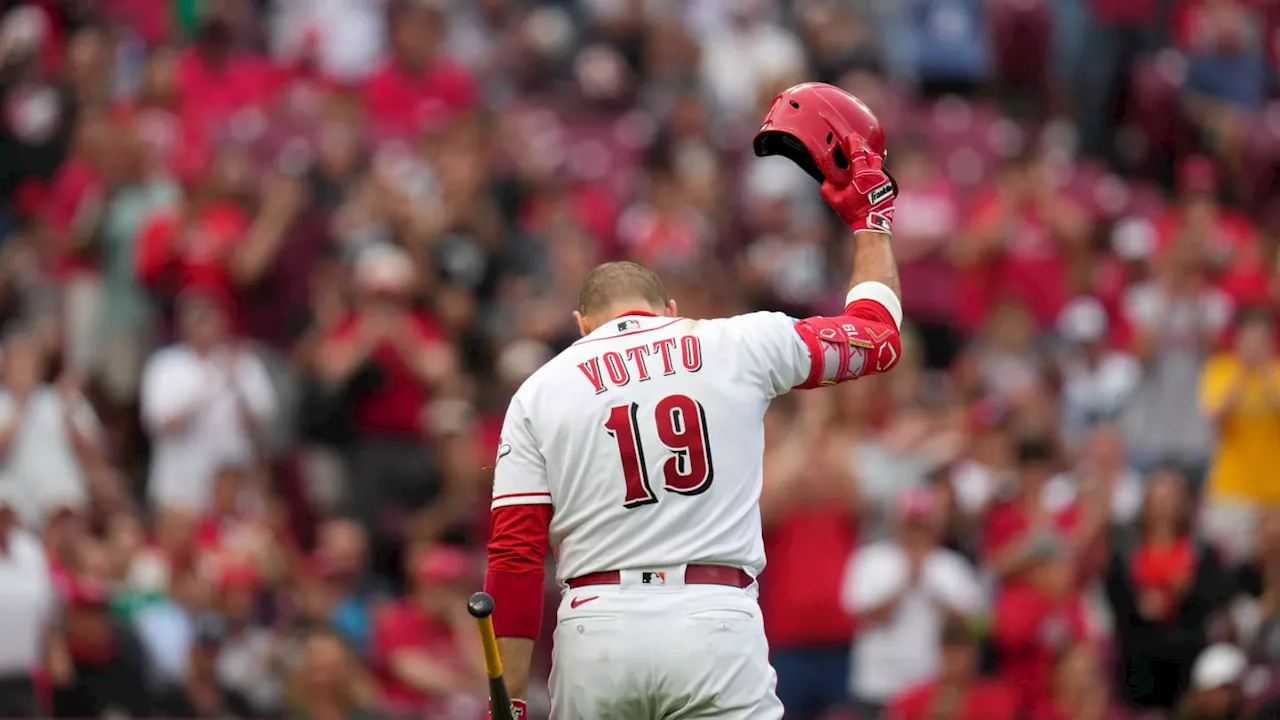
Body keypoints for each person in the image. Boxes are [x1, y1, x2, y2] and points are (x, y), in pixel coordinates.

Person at [483, 82, 904, 719]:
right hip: (714, 618)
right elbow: (877, 338)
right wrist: (868, 224)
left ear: (581, 326)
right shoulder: (733, 342)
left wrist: (507, 702)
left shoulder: (539, 390)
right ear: (670, 312)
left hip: (598, 629)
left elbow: (514, 560)